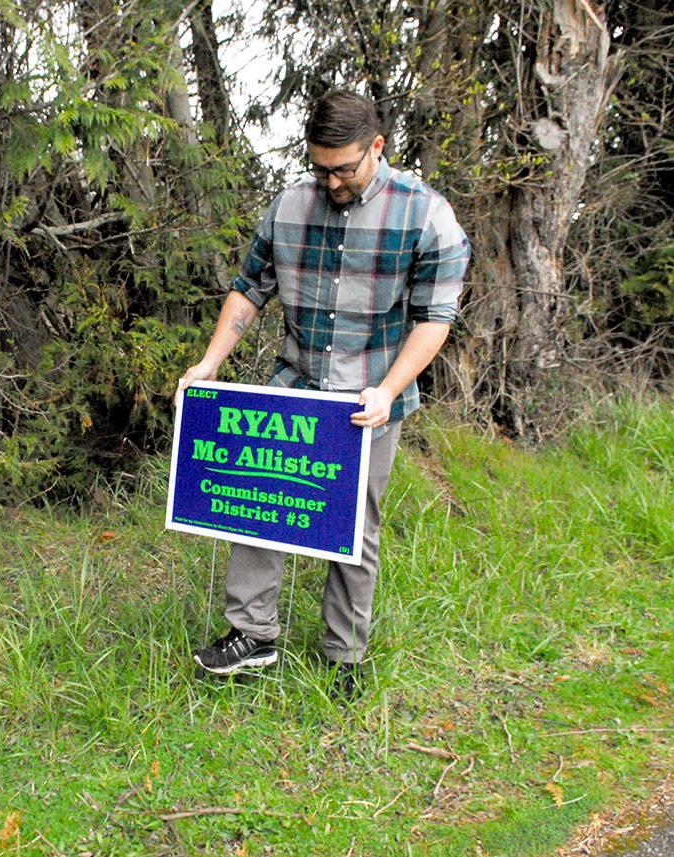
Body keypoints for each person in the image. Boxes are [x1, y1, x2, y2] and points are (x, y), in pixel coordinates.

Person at [177, 90, 470, 700]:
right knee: (260, 504)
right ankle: (252, 636)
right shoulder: (288, 207)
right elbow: (248, 289)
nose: (332, 180)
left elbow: (435, 319)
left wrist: (390, 390)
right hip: (295, 388)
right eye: (320, 168)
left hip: (371, 398)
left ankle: (345, 656)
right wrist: (209, 362)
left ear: (377, 147)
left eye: (345, 168)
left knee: (353, 527)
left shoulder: (426, 215)